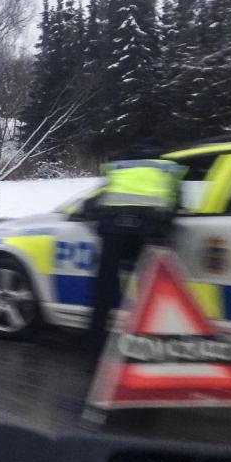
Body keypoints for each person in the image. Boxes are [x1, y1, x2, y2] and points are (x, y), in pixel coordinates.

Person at [84, 143, 186, 351]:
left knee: (105, 286)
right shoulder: (167, 167)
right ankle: (149, 340)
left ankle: (94, 340)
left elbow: (96, 201)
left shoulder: (120, 168)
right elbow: (176, 203)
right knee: (147, 287)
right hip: (148, 231)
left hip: (114, 230)